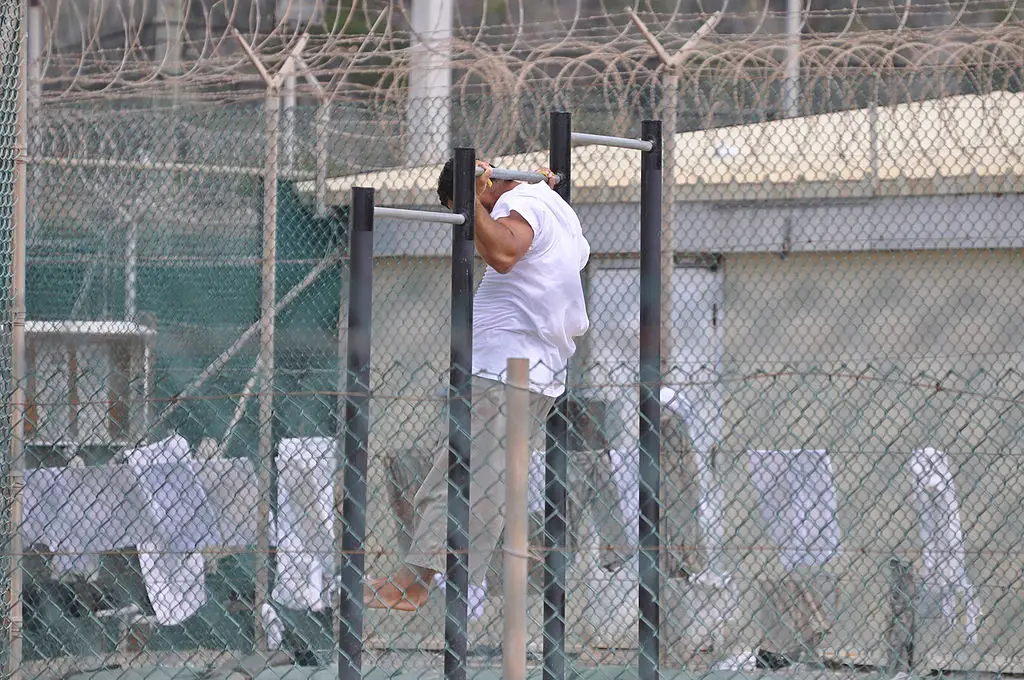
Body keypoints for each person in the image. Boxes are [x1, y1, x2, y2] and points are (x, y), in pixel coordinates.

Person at [364, 159, 592, 611]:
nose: (471, 224)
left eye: (466, 211)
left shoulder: (520, 200)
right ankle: (480, 568)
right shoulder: (552, 207)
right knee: (475, 476)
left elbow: (505, 253)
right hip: (528, 370)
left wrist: (472, 199)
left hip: (506, 369)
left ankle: (420, 579)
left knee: (463, 477)